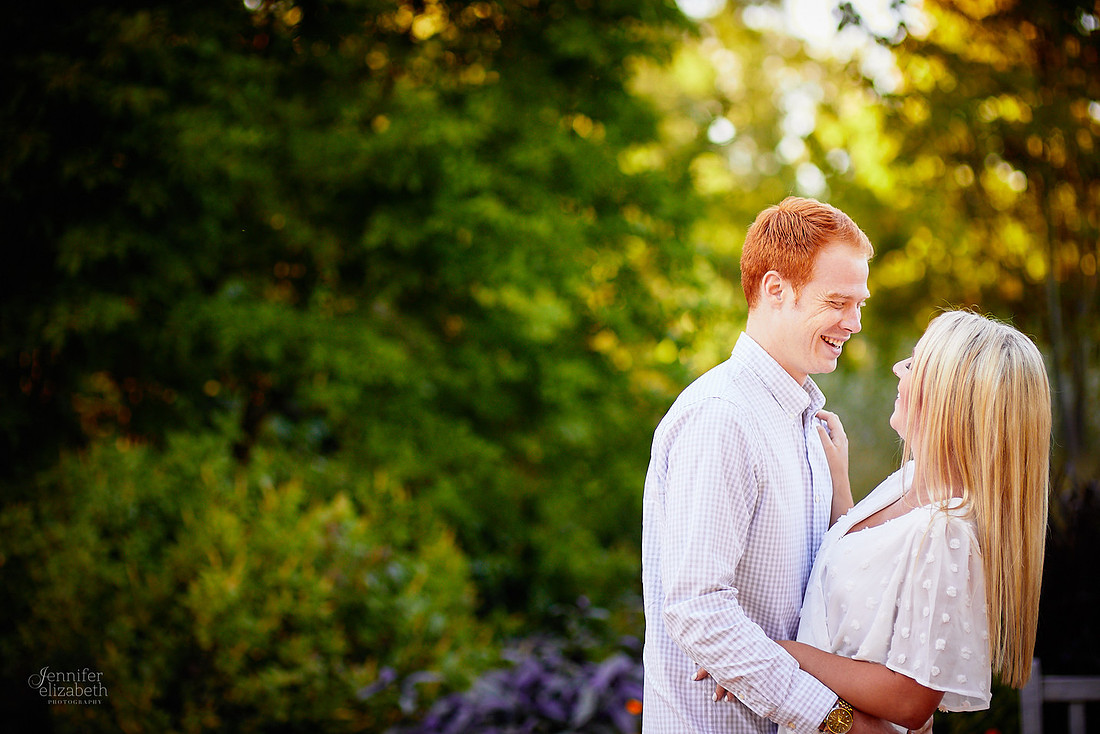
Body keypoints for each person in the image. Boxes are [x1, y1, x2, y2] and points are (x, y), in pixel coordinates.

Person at [705, 309, 1052, 733]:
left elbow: (909, 700)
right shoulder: (908, 481)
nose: (897, 370)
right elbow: (864, 582)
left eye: (915, 363)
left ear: (949, 397)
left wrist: (776, 652)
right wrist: (839, 485)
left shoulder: (947, 532)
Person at [641, 196, 894, 733]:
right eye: (837, 302)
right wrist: (839, 721)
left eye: (860, 304)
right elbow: (698, 610)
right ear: (775, 290)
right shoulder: (721, 418)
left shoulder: (810, 424)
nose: (854, 322)